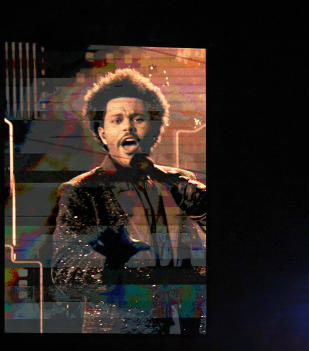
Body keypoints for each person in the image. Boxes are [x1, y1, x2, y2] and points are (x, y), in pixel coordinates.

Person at [51, 68, 207, 334]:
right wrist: (111, 263)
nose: (128, 126)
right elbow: (64, 275)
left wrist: (203, 216)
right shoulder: (82, 190)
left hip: (186, 333)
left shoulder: (180, 182)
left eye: (138, 118)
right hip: (119, 335)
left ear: (154, 127)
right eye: (117, 119)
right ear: (102, 133)